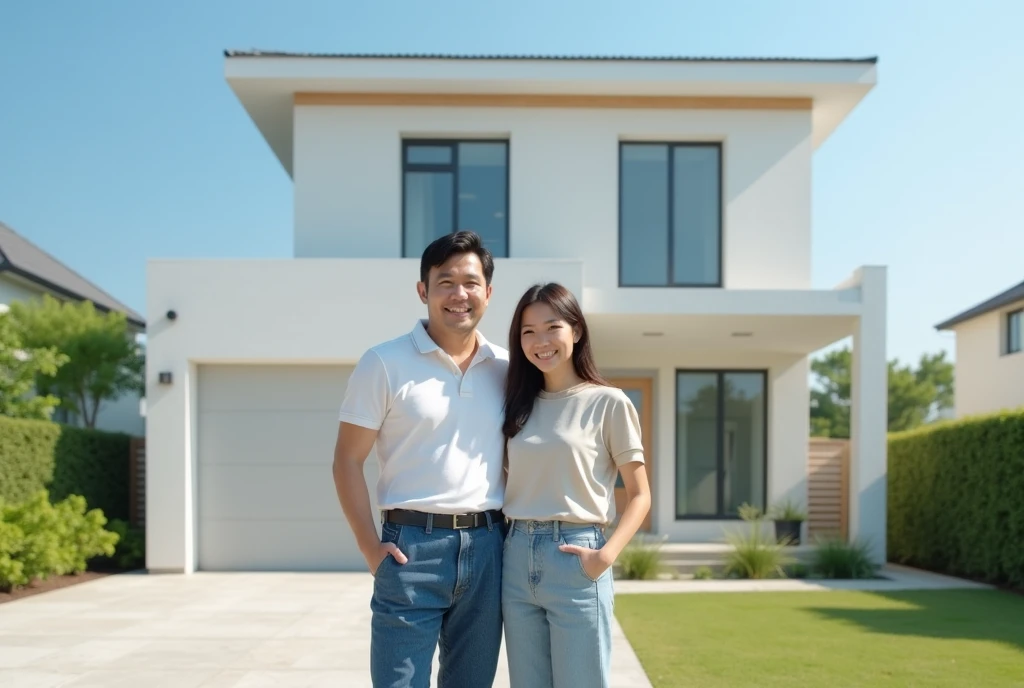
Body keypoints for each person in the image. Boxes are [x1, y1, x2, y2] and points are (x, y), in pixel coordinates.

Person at [331, 231, 508, 688]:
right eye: (445, 281)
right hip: (411, 548)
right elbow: (347, 461)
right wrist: (371, 548)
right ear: (423, 290)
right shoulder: (384, 362)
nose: (458, 294)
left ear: (488, 292)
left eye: (470, 282)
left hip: (490, 548)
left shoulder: (509, 369)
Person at [500, 282, 652, 688]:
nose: (541, 341)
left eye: (552, 327)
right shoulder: (516, 405)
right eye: (528, 331)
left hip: (576, 556)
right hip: (515, 558)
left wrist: (605, 557)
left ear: (577, 331)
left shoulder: (609, 402)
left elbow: (640, 495)